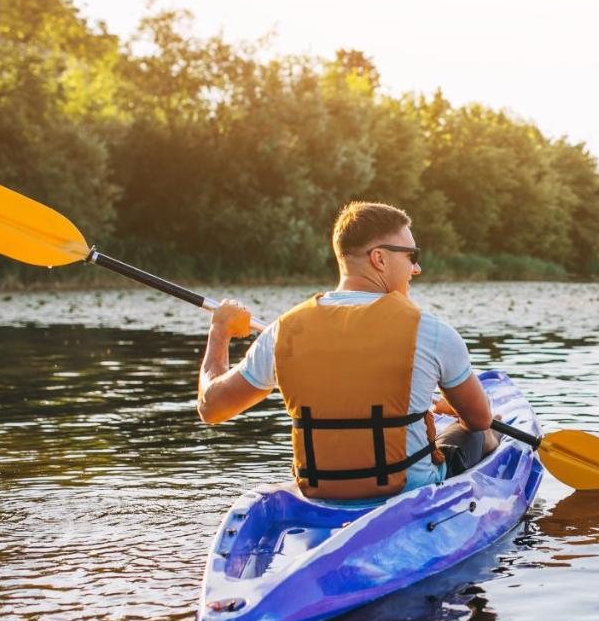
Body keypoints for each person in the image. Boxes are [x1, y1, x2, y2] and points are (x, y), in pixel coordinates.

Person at [195, 201, 498, 503]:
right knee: (481, 434)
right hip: (408, 492)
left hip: (319, 491)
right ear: (379, 258)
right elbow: (478, 418)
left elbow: (211, 407)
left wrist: (219, 331)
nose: (416, 268)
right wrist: (453, 408)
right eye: (412, 256)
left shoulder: (283, 330)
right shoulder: (431, 331)